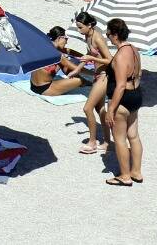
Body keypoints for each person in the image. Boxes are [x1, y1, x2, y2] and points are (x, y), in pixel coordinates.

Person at [103, 17, 144, 186]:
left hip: (123, 99)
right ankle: (137, 172)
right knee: (133, 136)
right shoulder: (134, 49)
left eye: (108, 34)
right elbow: (139, 74)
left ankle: (125, 176)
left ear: (114, 35)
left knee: (119, 138)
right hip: (136, 94)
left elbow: (120, 86)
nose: (107, 37)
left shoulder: (120, 56)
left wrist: (111, 109)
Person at [29, 26, 93, 98]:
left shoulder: (46, 46)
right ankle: (84, 82)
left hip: (33, 85)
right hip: (44, 89)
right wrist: (94, 74)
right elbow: (78, 69)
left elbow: (69, 51)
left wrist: (83, 56)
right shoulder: (57, 54)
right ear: (59, 38)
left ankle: (84, 81)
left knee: (63, 64)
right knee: (79, 80)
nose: (67, 42)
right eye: (66, 39)